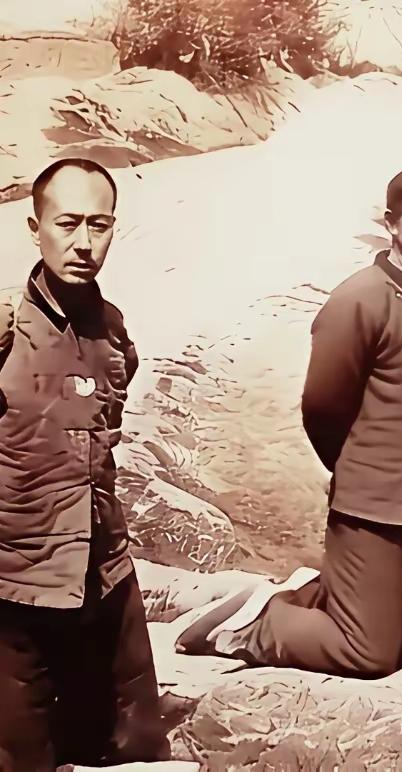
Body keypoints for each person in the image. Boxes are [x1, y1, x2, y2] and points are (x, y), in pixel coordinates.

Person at [176, 166, 402, 678]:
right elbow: (323, 408)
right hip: (374, 508)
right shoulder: (360, 299)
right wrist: (363, 474)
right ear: (392, 223)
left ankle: (319, 593)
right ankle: (258, 624)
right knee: (367, 656)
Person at [0, 158, 169, 770]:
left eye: (99, 225)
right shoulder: (5, 327)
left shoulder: (113, 332)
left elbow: (105, 437)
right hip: (16, 581)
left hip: (104, 574)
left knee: (132, 749)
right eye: (67, 223)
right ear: (35, 227)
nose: (83, 242)